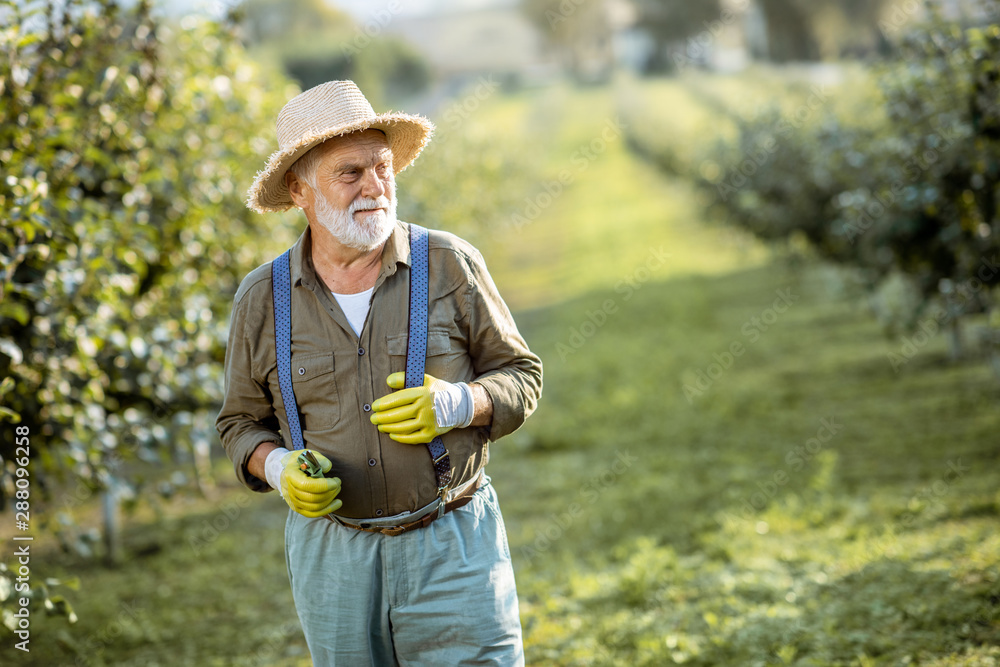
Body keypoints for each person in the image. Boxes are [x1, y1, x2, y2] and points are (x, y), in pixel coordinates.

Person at [215, 80, 542, 666]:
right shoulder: (262, 299)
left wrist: (460, 404)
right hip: (333, 556)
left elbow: (521, 375)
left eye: (384, 167)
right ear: (300, 190)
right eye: (350, 173)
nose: (375, 187)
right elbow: (240, 422)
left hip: (452, 541)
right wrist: (280, 466)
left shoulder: (449, 265)